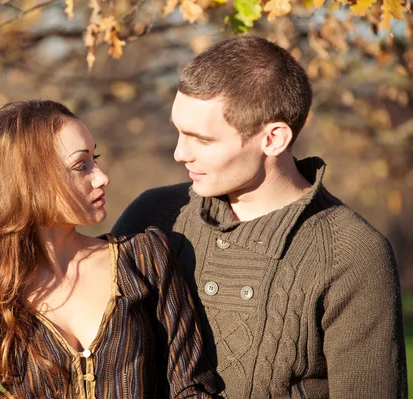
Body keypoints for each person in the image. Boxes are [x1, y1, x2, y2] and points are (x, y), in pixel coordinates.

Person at [112, 35, 407, 398]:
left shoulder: (351, 253)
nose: (179, 153)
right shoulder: (154, 216)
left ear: (273, 139)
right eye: (178, 132)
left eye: (201, 139)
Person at [0, 100, 218, 399]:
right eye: (80, 165)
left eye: (94, 159)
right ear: (28, 182)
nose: (101, 176)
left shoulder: (143, 258)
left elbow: (191, 388)